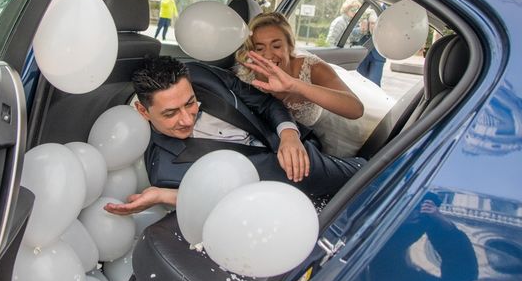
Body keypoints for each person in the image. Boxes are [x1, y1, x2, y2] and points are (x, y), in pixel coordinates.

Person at [104, 55, 365, 216]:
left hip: (305, 147)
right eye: (170, 113)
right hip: (282, 199)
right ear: (143, 110)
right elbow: (214, 199)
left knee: (369, 173)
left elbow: (265, 103)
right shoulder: (165, 170)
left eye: (190, 103)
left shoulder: (203, 75)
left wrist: (288, 135)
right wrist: (164, 196)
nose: (186, 119)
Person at [235, 12, 364, 131]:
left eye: (276, 46)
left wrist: (295, 85)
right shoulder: (246, 75)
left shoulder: (312, 68)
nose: (268, 55)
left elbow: (356, 109)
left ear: (290, 46)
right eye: (259, 48)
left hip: (313, 136)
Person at [353, 12, 386, 86]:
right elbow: (352, 32)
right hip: (363, 54)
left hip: (379, 55)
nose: (374, 26)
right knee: (360, 81)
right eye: (372, 23)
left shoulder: (387, 11)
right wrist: (361, 29)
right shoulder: (363, 11)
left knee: (374, 83)